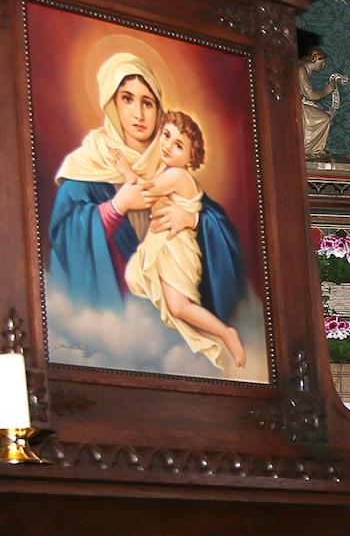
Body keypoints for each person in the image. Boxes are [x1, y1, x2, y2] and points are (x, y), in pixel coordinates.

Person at [46, 52, 242, 322]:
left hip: (167, 317)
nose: (138, 114)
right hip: (117, 321)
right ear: (112, 102)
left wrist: (194, 220)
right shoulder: (88, 163)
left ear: (159, 109)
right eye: (127, 99)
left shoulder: (172, 167)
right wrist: (116, 207)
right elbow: (64, 234)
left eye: (147, 103)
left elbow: (222, 232)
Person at [114, 113, 246, 371]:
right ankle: (221, 333)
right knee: (168, 300)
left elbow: (147, 191)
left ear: (191, 158)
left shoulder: (177, 175)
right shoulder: (169, 171)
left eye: (178, 145)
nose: (168, 145)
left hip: (178, 249)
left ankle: (226, 333)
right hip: (167, 245)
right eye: (166, 135)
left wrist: (127, 172)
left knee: (179, 306)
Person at [299, 47, 343, 159]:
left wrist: (315, 106)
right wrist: (326, 91)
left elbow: (305, 97)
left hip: (300, 103)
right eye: (322, 63)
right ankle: (310, 149)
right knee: (324, 118)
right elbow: (310, 94)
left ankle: (314, 149)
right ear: (314, 60)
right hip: (295, 106)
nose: (323, 66)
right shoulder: (301, 71)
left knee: (324, 115)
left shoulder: (304, 71)